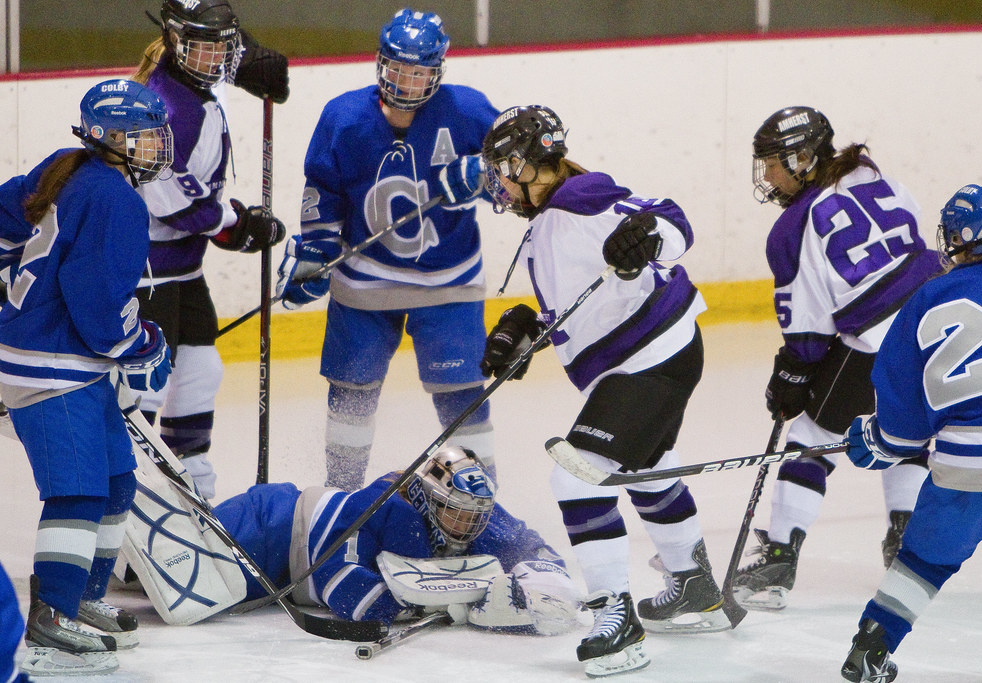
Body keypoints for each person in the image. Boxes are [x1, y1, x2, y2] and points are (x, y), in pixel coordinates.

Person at [479, 104, 723, 678]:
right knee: (645, 469)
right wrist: (529, 330)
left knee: (577, 475)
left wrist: (648, 238)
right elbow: (580, 304)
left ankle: (617, 618)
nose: (499, 183)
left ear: (525, 163)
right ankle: (695, 588)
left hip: (652, 358)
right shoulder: (553, 219)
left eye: (502, 169)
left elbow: (672, 222)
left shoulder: (582, 200)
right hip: (651, 357)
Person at [275, 8, 499, 490]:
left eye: (419, 71)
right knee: (351, 391)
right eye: (398, 68)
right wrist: (314, 253)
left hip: (449, 282)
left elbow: (517, 177)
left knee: (460, 393)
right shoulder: (344, 117)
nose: (407, 81)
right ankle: (342, 496)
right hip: (362, 283)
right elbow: (324, 190)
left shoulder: (469, 111)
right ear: (380, 63)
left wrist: (487, 178)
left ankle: (485, 501)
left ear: (437, 70)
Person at [732, 106, 940, 611]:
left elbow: (808, 325)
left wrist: (793, 373)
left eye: (774, 164)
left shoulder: (790, 228)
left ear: (804, 158)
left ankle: (778, 560)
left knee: (811, 435)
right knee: (906, 429)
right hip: (937, 324)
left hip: (879, 338)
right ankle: (906, 544)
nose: (767, 176)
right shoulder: (872, 175)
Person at [0, 79, 175, 676]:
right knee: (77, 491)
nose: (156, 146)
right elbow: (98, 305)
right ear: (110, 137)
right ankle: (52, 611)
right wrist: (143, 344)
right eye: (146, 136)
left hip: (69, 359)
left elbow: (4, 217)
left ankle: (82, 598)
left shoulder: (70, 167)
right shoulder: (116, 200)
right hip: (50, 366)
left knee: (117, 480)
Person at [841, 184, 982, 683]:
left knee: (922, 562)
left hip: (970, 462)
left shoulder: (928, 298)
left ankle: (870, 649)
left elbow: (903, 428)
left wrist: (876, 442)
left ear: (963, 237)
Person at [129, 0, 289, 499]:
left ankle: (192, 495)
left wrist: (254, 64)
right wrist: (234, 223)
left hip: (182, 272)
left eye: (223, 47)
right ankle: (132, 508)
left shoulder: (189, 85)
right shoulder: (164, 106)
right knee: (143, 393)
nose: (215, 59)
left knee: (199, 373)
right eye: (202, 47)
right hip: (146, 274)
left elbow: (225, 57)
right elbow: (168, 196)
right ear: (176, 43)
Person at [214, 447, 579, 635]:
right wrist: (457, 604)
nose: (469, 524)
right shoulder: (387, 507)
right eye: (458, 512)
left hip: (281, 575)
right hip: (267, 527)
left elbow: (535, 552)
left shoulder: (473, 510)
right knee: (175, 571)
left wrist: (537, 588)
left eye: (476, 515)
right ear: (428, 500)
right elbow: (339, 584)